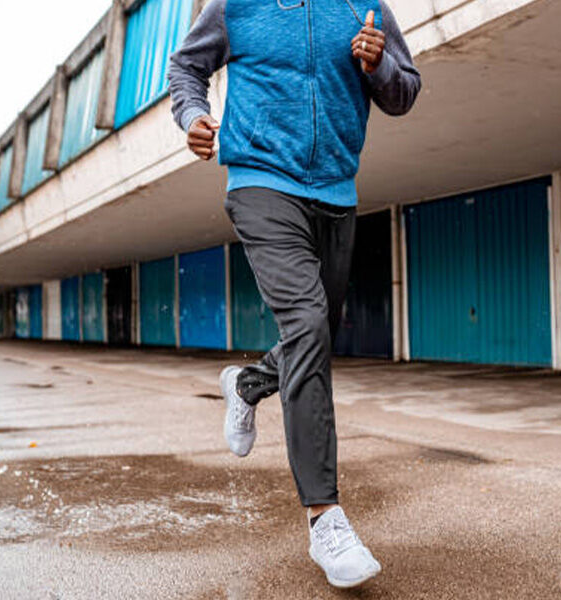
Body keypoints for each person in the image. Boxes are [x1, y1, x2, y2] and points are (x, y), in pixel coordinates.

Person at [168, 0, 420, 588]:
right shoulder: (235, 5)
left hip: (335, 190)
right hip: (259, 182)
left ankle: (248, 383)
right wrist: (193, 117)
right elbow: (186, 67)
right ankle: (325, 516)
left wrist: (377, 65)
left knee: (314, 334)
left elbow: (405, 92)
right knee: (308, 326)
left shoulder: (364, 8)